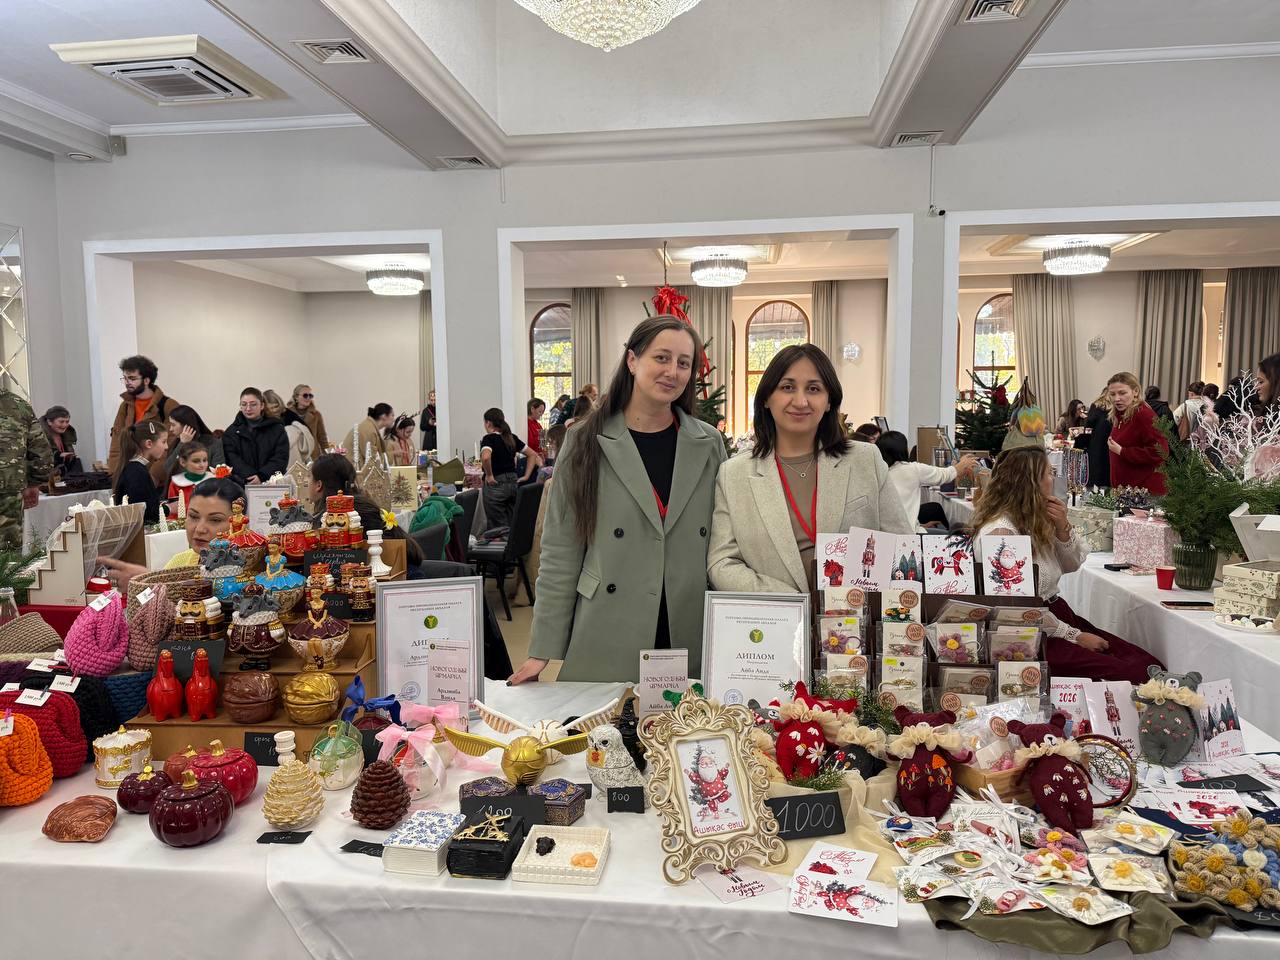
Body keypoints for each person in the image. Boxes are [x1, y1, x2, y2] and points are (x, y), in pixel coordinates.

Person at [516, 316, 726, 684]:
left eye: (683, 363)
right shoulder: (584, 440)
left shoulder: (708, 442)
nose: (672, 372)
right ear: (632, 360)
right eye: (661, 358)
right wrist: (541, 649)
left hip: (688, 623)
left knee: (687, 720)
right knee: (607, 720)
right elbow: (561, 550)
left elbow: (724, 539)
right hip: (608, 622)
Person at [709, 344, 914, 597]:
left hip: (856, 614)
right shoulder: (734, 474)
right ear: (766, 399)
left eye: (814, 389)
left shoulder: (865, 460)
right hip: (776, 616)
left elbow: (901, 543)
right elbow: (722, 562)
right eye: (787, 387)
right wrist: (792, 603)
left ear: (829, 402)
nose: (801, 401)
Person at [970, 446, 1163, 684]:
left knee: (1145, 663)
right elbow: (1015, 610)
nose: (1053, 479)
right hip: (1030, 632)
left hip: (1054, 615)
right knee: (1134, 674)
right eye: (1048, 473)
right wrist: (1074, 635)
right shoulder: (1002, 534)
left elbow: (1071, 565)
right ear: (1029, 481)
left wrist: (1062, 528)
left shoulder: (1032, 518)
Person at [99, 475, 246, 586]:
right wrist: (148, 582)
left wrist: (152, 583)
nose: (200, 529)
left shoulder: (249, 569)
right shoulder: (179, 562)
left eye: (215, 520)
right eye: (193, 516)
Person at [308, 454, 424, 572]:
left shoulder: (332, 517)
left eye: (309, 477)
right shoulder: (361, 503)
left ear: (319, 485)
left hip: (393, 576)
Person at [875, 430, 978, 532]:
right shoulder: (912, 469)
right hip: (909, 533)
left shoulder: (879, 472)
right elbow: (944, 475)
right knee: (949, 536)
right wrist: (963, 464)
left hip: (886, 533)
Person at [107, 355, 179, 486]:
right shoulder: (125, 406)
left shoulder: (167, 405)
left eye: (132, 378)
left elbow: (170, 445)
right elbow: (117, 442)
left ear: (146, 380)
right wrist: (114, 474)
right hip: (130, 475)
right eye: (125, 378)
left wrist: (154, 475)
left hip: (158, 480)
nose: (127, 382)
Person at [0, 390, 53, 549]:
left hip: (9, 490)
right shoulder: (18, 405)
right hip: (9, 491)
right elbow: (40, 450)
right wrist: (34, 483)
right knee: (7, 553)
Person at [1106, 372, 1168, 495]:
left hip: (1144, 493)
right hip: (1127, 491)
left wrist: (1123, 451)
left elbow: (1161, 451)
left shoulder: (1143, 415)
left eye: (1122, 393)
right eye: (1112, 394)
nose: (1116, 398)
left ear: (1135, 391)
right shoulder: (1120, 416)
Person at [480, 407, 541, 529]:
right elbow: (532, 455)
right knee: (512, 522)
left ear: (488, 423)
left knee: (498, 527)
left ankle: (501, 541)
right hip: (513, 482)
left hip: (496, 484)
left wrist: (489, 475)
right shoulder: (511, 437)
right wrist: (526, 476)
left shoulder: (489, 438)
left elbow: (486, 457)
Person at [222, 387, 289, 485]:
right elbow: (232, 459)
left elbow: (281, 457)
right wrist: (251, 477)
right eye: (244, 404)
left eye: (253, 404)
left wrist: (262, 476)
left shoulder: (277, 429)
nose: (248, 408)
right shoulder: (231, 432)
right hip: (242, 484)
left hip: (272, 483)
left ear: (262, 405)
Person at [113, 421, 170, 524]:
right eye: (164, 442)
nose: (167, 447)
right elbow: (144, 512)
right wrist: (169, 508)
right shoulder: (137, 472)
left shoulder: (135, 468)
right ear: (149, 444)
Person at [164, 404, 223, 475]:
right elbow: (168, 469)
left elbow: (218, 473)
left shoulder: (214, 443)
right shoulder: (177, 442)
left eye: (173, 425)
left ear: (187, 426)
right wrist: (182, 444)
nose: (170, 429)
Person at [263, 389, 316, 467]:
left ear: (280, 403)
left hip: (292, 456)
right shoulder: (262, 419)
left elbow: (306, 431)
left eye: (275, 406)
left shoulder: (288, 414)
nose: (273, 410)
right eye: (269, 409)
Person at [166, 441, 214, 509]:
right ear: (183, 462)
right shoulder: (176, 483)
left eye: (205, 460)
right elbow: (174, 510)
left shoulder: (213, 480)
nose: (202, 465)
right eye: (196, 461)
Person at [39, 406, 82, 477]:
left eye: (67, 421)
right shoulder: (38, 436)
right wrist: (58, 456)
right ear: (49, 422)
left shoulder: (67, 434)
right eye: (61, 421)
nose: (65, 425)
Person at [287, 384, 329, 451]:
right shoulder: (287, 414)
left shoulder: (316, 415)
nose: (308, 398)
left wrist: (328, 454)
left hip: (313, 454)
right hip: (294, 453)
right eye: (305, 395)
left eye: (310, 396)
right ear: (296, 397)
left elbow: (322, 438)